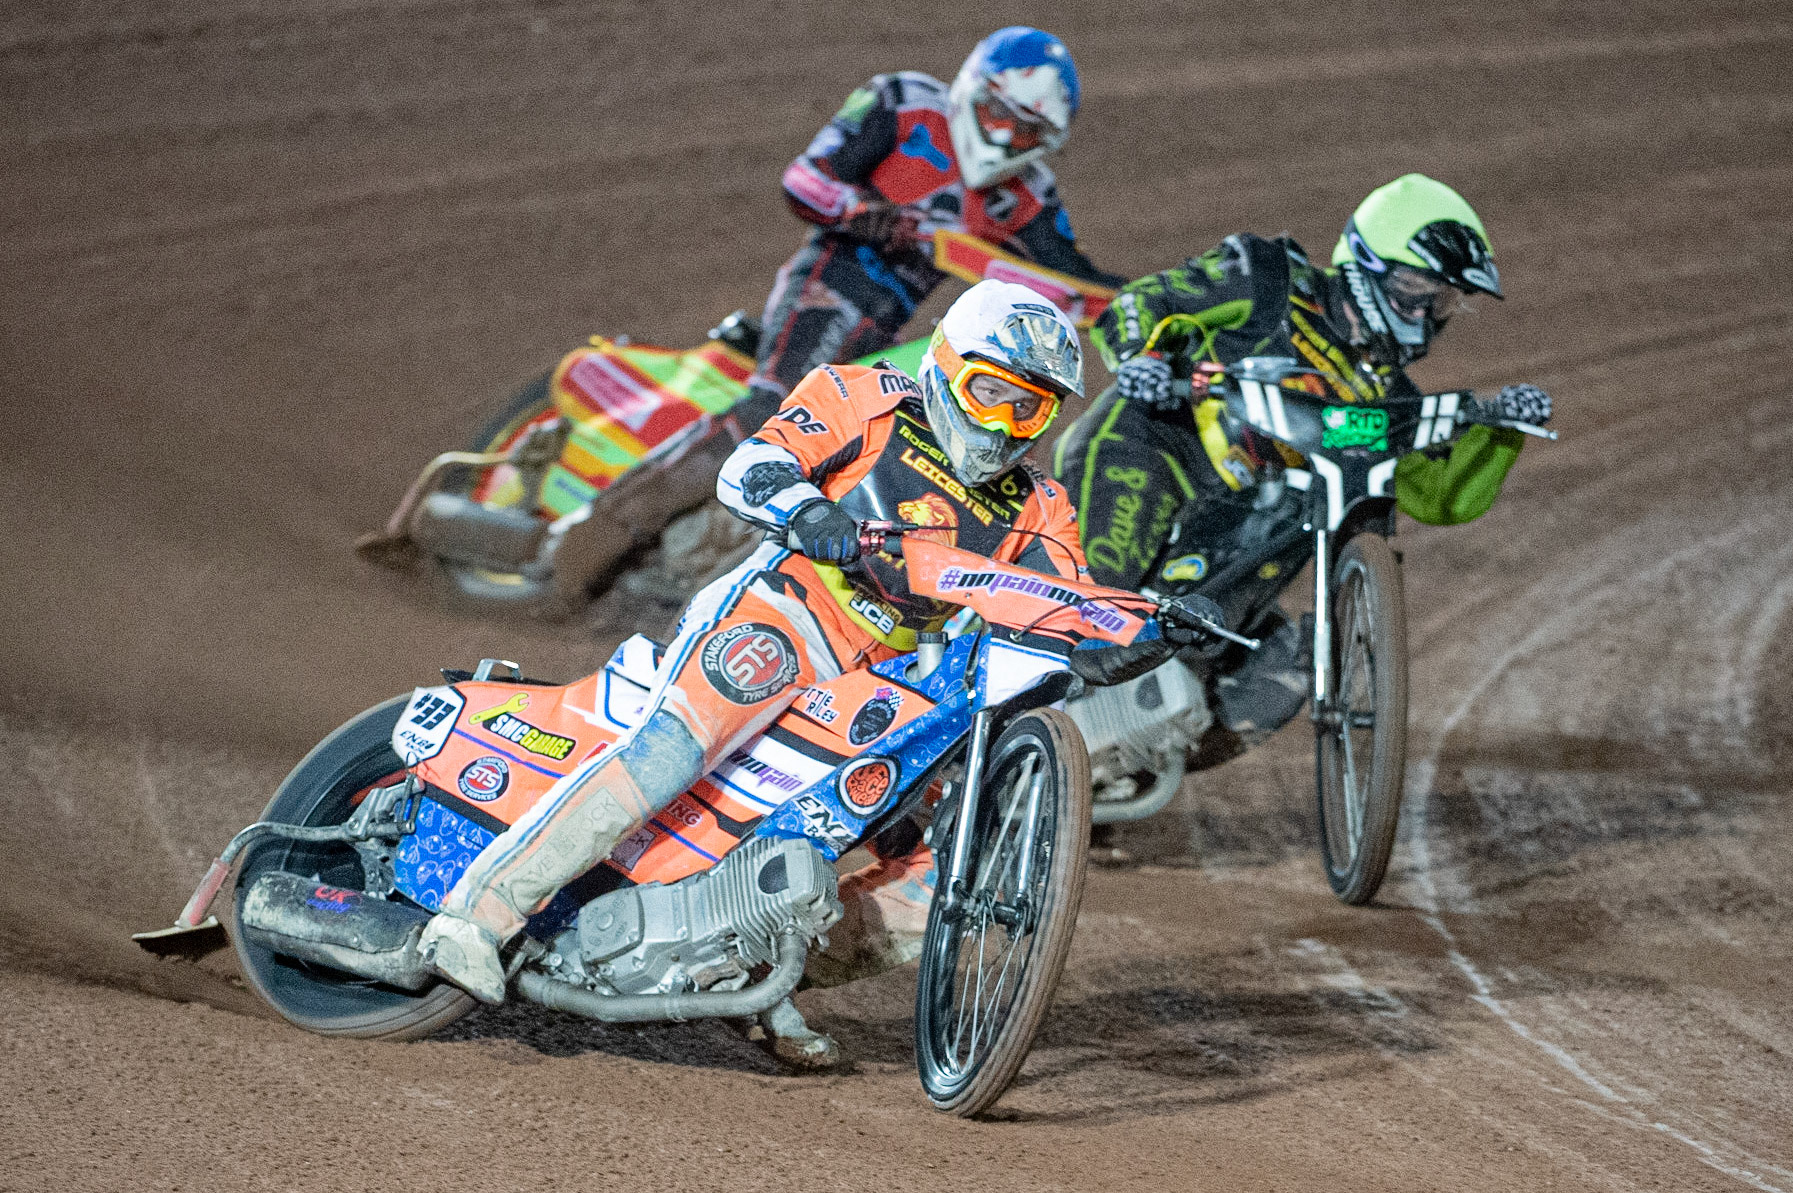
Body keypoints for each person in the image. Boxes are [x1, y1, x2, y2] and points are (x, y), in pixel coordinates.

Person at [418, 281, 1193, 1061]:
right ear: (946, 365)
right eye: (990, 392)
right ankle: (474, 916)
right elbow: (753, 463)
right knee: (670, 752)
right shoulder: (866, 397)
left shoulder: (1041, 506)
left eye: (1030, 409)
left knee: (912, 861)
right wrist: (806, 510)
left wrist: (1143, 627)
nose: (1003, 425)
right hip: (784, 612)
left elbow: (1064, 600)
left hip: (890, 676)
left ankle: (751, 972)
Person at [1054, 173, 1554, 745]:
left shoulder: (1391, 402)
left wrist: (1500, 431)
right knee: (1088, 610)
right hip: (1155, 450)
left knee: (1286, 671)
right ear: (1365, 262)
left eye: (1439, 298)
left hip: (1242, 534)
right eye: (1414, 284)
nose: (1422, 310)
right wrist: (1141, 360)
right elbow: (1145, 300)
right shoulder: (1266, 277)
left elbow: (1438, 496)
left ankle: (1112, 768)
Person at [739, 26, 1124, 425]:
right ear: (974, 88)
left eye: (1026, 131)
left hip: (884, 333)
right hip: (827, 286)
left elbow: (1074, 279)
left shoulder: (1029, 194)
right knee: (776, 412)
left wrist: (1144, 300)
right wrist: (858, 210)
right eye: (998, 114)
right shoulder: (905, 101)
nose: (1006, 137)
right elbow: (802, 179)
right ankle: (679, 478)